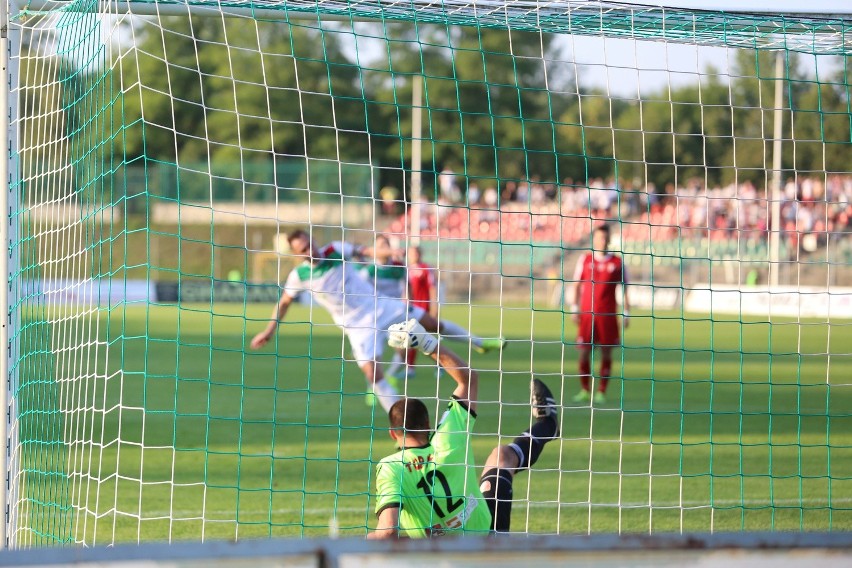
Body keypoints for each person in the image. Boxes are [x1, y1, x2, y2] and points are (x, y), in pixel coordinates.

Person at [250, 230, 505, 412]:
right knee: (373, 375)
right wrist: (269, 330)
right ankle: (403, 423)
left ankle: (479, 342)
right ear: (297, 254)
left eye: (310, 243)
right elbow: (284, 303)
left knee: (433, 324)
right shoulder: (299, 275)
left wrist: (390, 251)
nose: (311, 250)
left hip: (379, 305)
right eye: (303, 249)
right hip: (356, 325)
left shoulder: (334, 250)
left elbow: (365, 250)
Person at [369, 319, 559, 538]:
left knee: (501, 455)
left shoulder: (391, 468)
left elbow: (387, 531)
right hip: (488, 544)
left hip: (438, 559)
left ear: (393, 433)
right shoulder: (448, 438)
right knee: (502, 456)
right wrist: (426, 343)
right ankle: (547, 425)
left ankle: (550, 426)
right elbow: (468, 379)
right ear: (429, 426)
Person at [570, 223, 630, 405]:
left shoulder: (618, 263)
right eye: (598, 238)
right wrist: (574, 308)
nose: (601, 241)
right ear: (594, 240)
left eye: (604, 238)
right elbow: (576, 284)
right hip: (587, 315)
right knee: (583, 352)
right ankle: (585, 389)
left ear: (609, 240)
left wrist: (627, 312)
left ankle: (602, 391)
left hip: (608, 316)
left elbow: (625, 288)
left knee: (606, 353)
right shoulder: (585, 260)